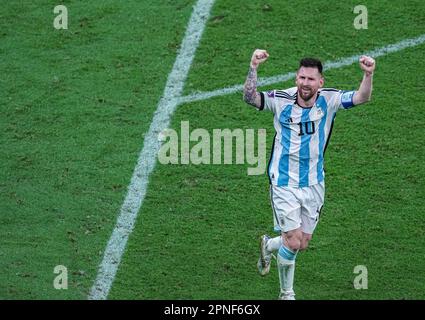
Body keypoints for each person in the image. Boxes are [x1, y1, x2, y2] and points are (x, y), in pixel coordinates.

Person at [243, 49, 375, 300]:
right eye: (302, 78)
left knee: (302, 242)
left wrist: (368, 74)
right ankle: (286, 294)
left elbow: (361, 97)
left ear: (320, 82)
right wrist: (254, 67)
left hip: (314, 182)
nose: (305, 83)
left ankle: (269, 245)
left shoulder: (330, 99)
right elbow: (250, 97)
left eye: (311, 79)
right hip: (284, 181)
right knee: (292, 242)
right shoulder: (281, 99)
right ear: (296, 79)